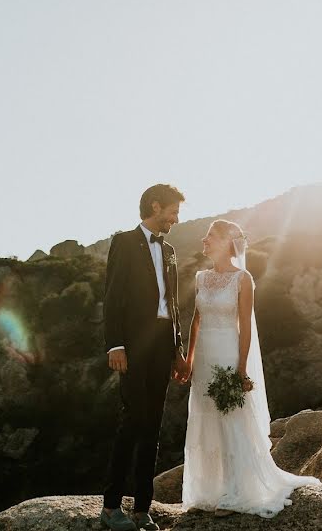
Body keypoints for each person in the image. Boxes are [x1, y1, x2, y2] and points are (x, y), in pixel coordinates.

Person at [180, 219, 321, 517]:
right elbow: (196, 321)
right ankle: (210, 489)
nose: (204, 241)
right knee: (207, 416)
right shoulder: (201, 278)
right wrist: (190, 360)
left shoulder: (243, 279)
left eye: (210, 237)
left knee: (230, 417)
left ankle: (235, 490)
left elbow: (246, 329)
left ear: (226, 242)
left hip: (228, 355)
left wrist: (241, 369)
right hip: (204, 357)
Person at [100, 184, 190, 531]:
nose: (176, 219)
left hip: (163, 346)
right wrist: (115, 345)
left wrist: (178, 350)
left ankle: (141, 509)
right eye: (173, 211)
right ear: (155, 206)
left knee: (152, 425)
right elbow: (112, 298)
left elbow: (174, 305)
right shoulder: (123, 242)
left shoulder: (169, 250)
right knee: (132, 420)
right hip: (133, 346)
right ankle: (110, 507)